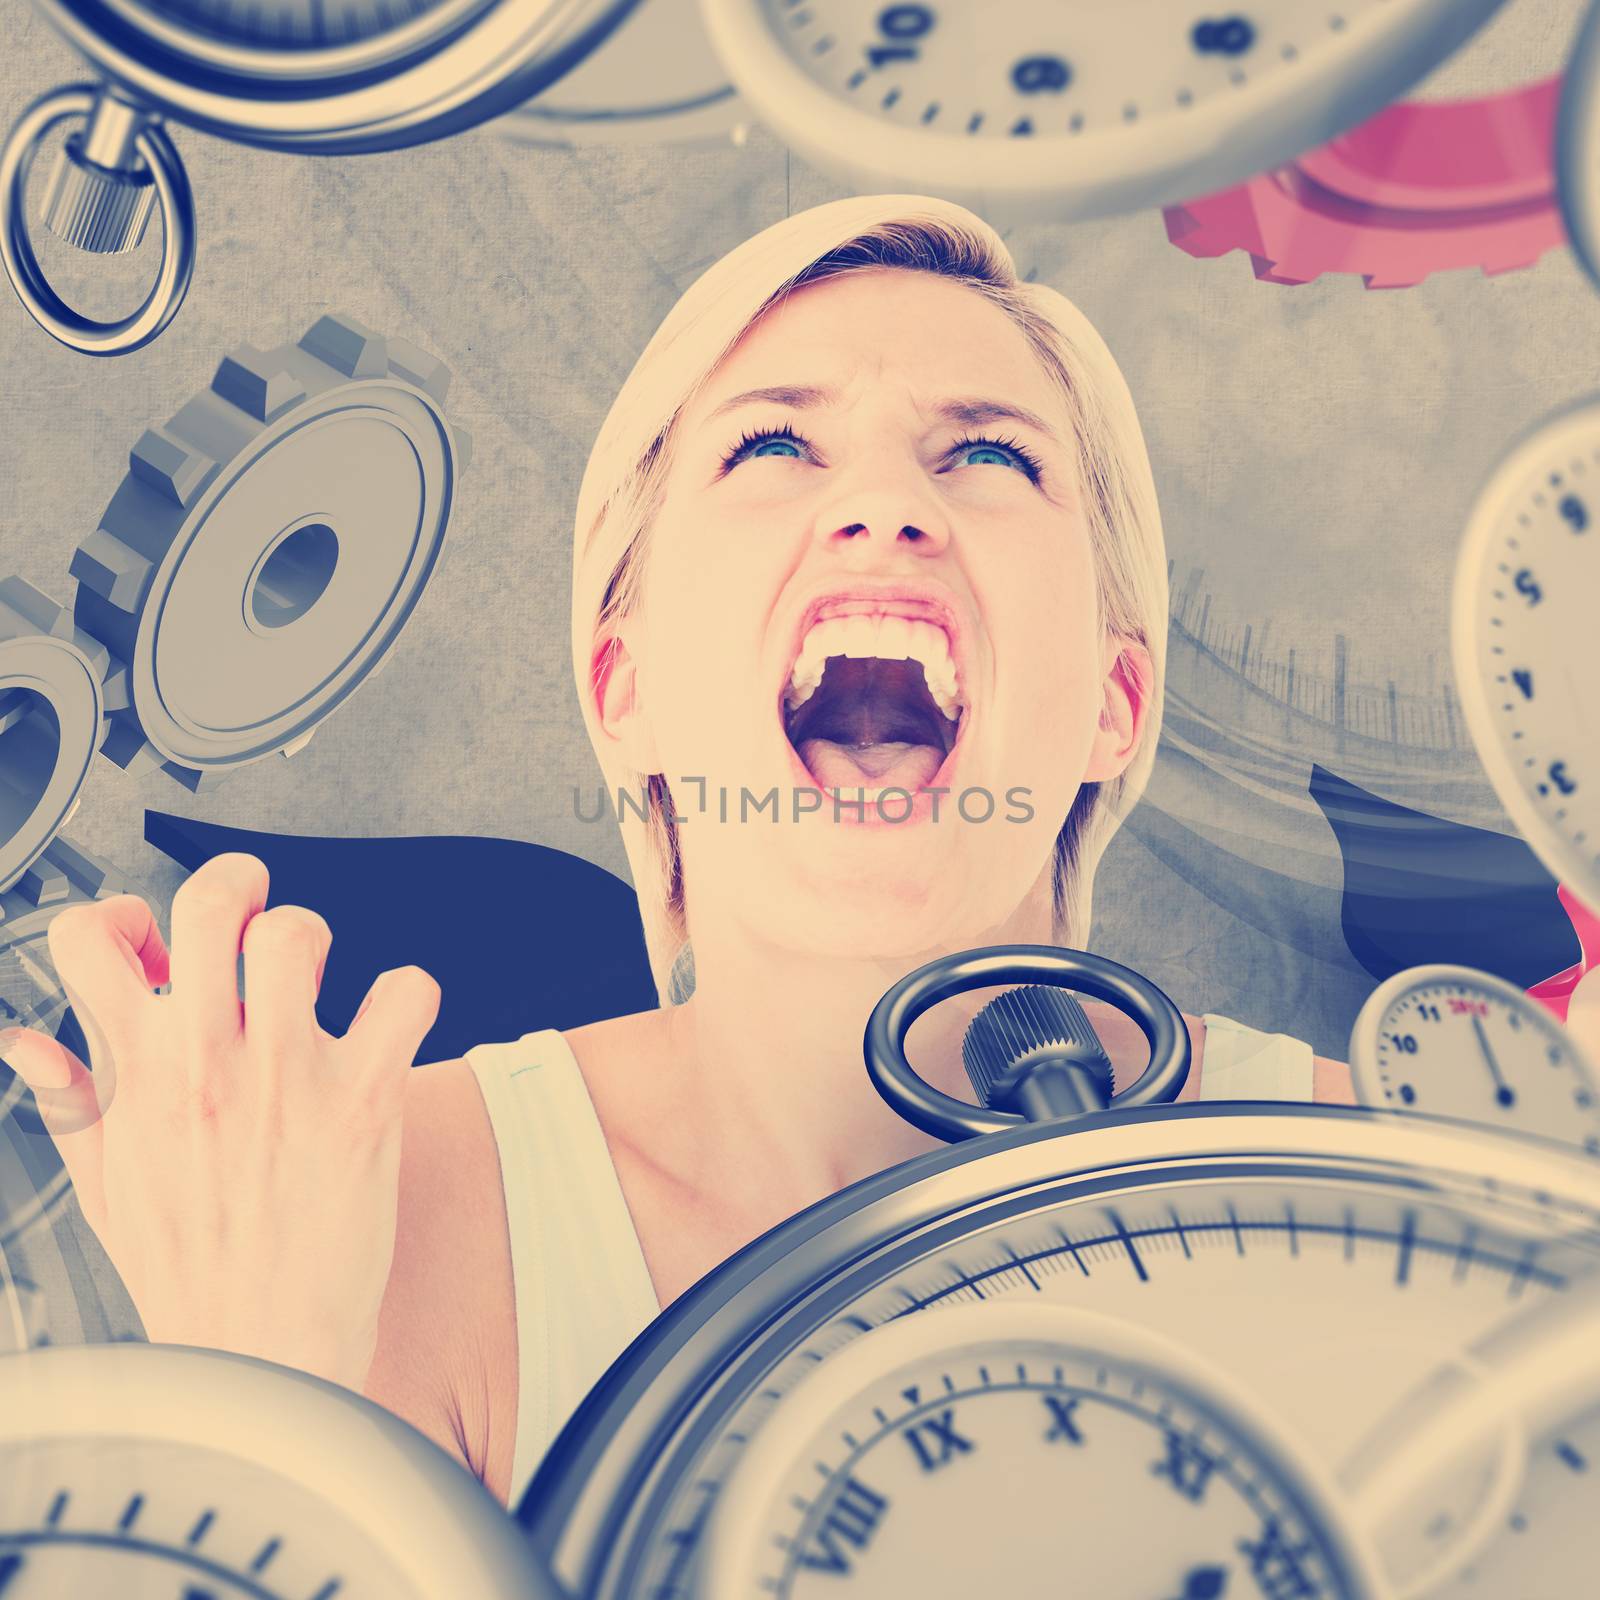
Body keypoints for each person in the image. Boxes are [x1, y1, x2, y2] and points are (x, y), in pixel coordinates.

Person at [9, 194, 1574, 1516]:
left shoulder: (1386, 1173)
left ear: (1115, 702)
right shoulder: (378, 1210)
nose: (888, 504)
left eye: (987, 457)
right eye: (773, 450)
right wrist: (258, 1386)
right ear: (624, 697)